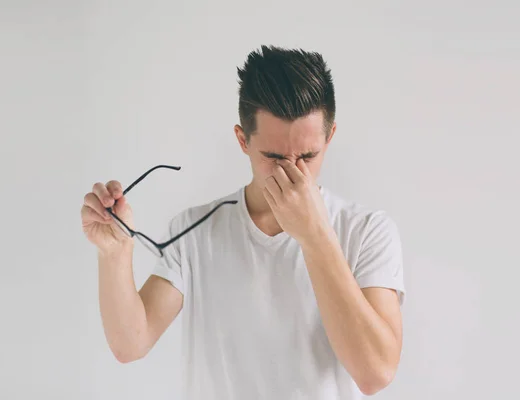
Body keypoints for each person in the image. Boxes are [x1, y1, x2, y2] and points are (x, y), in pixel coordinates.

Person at [81, 45, 406, 399]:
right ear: (242, 141)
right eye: (274, 157)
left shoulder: (367, 231)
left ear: (329, 138)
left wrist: (313, 236)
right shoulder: (196, 231)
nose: (293, 172)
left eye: (309, 156)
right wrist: (114, 254)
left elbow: (375, 373)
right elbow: (130, 344)